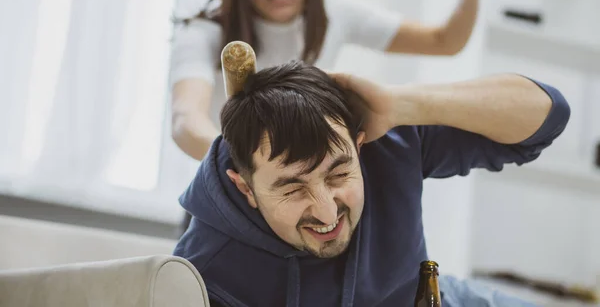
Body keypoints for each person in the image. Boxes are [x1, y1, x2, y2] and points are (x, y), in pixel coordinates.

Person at [174, 61, 570, 306]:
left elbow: (548, 116)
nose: (328, 212)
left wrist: (403, 104)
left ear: (358, 147)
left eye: (339, 174)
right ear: (245, 188)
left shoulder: (389, 142)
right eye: (293, 189)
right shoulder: (204, 269)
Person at [169, 0, 503, 162]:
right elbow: (187, 121)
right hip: (227, 190)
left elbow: (445, 42)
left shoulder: (336, 15)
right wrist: (243, 168)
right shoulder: (206, 34)